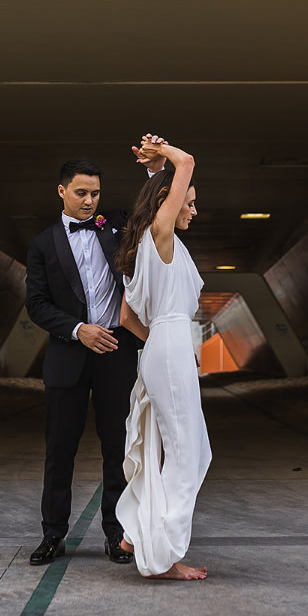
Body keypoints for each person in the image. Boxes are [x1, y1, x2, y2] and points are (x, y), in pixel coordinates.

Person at [24, 138, 167, 567]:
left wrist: (156, 168)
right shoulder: (42, 245)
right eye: (81, 192)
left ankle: (116, 533)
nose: (90, 201)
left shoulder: (116, 224)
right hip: (69, 354)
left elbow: (156, 207)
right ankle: (53, 535)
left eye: (96, 193)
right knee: (59, 449)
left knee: (118, 447)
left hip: (116, 353)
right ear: (62, 190)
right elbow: (37, 304)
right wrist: (77, 330)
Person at [114, 139, 212, 581]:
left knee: (188, 450)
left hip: (162, 347)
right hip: (168, 347)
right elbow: (187, 163)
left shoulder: (146, 245)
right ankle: (163, 555)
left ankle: (136, 529)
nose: (193, 209)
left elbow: (125, 316)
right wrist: (165, 151)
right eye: (188, 201)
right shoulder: (161, 235)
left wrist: (154, 170)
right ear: (167, 205)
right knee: (188, 454)